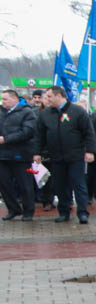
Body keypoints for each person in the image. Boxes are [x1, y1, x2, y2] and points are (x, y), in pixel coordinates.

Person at [34, 85, 96, 223]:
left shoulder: (77, 111)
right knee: (60, 185)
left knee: (78, 185)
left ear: (59, 95)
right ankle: (63, 212)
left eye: (49, 96)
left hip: (76, 156)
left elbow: (89, 133)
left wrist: (90, 151)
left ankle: (82, 213)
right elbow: (40, 135)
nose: (47, 99)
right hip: (56, 157)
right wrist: (37, 152)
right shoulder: (45, 114)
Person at [0, 89, 37, 221]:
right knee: (4, 183)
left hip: (21, 155)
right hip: (3, 155)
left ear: (14, 99)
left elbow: (27, 132)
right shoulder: (1, 112)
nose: (2, 102)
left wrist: (6, 139)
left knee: (25, 184)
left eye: (5, 99)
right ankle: (13, 209)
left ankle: (28, 211)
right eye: (2, 99)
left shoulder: (27, 112)